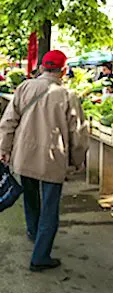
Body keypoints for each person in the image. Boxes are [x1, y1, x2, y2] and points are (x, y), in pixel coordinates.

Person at [0, 50, 88, 272]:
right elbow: (78, 133)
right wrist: (77, 160)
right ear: (64, 70)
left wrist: (4, 149)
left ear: (41, 68)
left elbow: (8, 121)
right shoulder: (68, 95)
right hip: (52, 158)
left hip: (24, 155)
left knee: (30, 197)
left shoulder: (24, 88)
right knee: (50, 207)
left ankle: (33, 231)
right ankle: (40, 256)